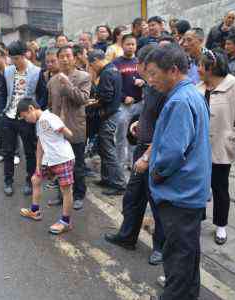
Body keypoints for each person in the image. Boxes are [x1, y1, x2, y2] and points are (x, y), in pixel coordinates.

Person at [146, 44, 211, 300]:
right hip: (190, 191)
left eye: (153, 74)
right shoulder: (191, 94)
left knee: (177, 257)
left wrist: (157, 173)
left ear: (173, 70)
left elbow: (172, 153)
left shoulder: (180, 101)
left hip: (180, 193)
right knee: (188, 254)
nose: (150, 81)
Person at [104, 44, 166, 265]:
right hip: (142, 146)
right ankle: (127, 236)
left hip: (154, 151)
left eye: (140, 62)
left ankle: (160, 247)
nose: (136, 66)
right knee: (132, 197)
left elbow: (165, 125)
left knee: (156, 201)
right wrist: (138, 124)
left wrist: (148, 155)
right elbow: (149, 115)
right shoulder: (149, 86)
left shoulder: (162, 88)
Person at [197, 49, 235, 245]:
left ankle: (221, 225)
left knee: (219, 188)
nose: (197, 69)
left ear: (210, 68)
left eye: (200, 65)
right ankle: (198, 218)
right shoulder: (198, 88)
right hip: (198, 150)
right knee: (199, 186)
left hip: (221, 150)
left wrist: (231, 139)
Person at [18, 97, 76, 234]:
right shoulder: (39, 123)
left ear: (31, 109)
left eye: (25, 117)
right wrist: (38, 164)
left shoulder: (49, 117)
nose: (26, 120)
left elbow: (69, 134)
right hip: (48, 159)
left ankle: (66, 222)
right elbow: (40, 143)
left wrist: (61, 131)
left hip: (62, 158)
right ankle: (35, 211)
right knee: (35, 179)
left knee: (66, 190)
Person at [47, 45, 91, 210]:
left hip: (75, 128)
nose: (65, 59)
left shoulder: (84, 77)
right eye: (62, 56)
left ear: (74, 58)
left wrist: (68, 84)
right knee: (59, 164)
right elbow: (51, 105)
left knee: (77, 164)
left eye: (68, 56)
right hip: (57, 130)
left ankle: (79, 195)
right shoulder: (52, 81)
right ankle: (61, 195)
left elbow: (83, 99)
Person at [2, 40, 41, 196]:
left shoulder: (36, 71)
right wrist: (1, 111)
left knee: (30, 151)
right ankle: (8, 181)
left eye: (17, 58)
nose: (14, 62)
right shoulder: (8, 71)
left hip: (26, 118)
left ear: (25, 55)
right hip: (9, 116)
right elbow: (3, 92)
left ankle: (29, 182)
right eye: (12, 58)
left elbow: (41, 95)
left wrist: (35, 114)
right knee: (8, 151)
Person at [87, 50, 126, 195]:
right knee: (103, 149)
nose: (92, 68)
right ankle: (106, 178)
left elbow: (106, 96)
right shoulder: (114, 69)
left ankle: (119, 184)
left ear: (97, 60)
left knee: (108, 150)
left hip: (109, 115)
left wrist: (92, 103)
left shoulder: (107, 73)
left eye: (92, 65)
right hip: (112, 113)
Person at [113, 34, 143, 171]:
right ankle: (119, 164)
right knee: (121, 135)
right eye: (128, 44)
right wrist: (123, 97)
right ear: (122, 45)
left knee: (135, 134)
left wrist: (143, 82)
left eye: (133, 44)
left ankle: (133, 162)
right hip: (123, 105)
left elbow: (149, 78)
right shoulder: (116, 63)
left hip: (138, 104)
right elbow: (112, 86)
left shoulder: (139, 62)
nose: (130, 47)